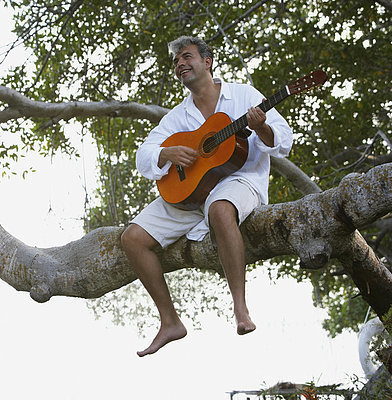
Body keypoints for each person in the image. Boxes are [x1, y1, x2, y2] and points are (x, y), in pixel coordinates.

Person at [121, 36, 293, 357]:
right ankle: (170, 322)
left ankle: (240, 309)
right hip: (191, 193)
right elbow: (143, 157)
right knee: (132, 238)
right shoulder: (176, 117)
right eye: (175, 61)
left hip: (241, 181)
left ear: (207, 61)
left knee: (219, 208)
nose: (179, 64)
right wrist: (166, 152)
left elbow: (282, 142)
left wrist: (262, 127)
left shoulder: (243, 95)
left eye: (186, 57)